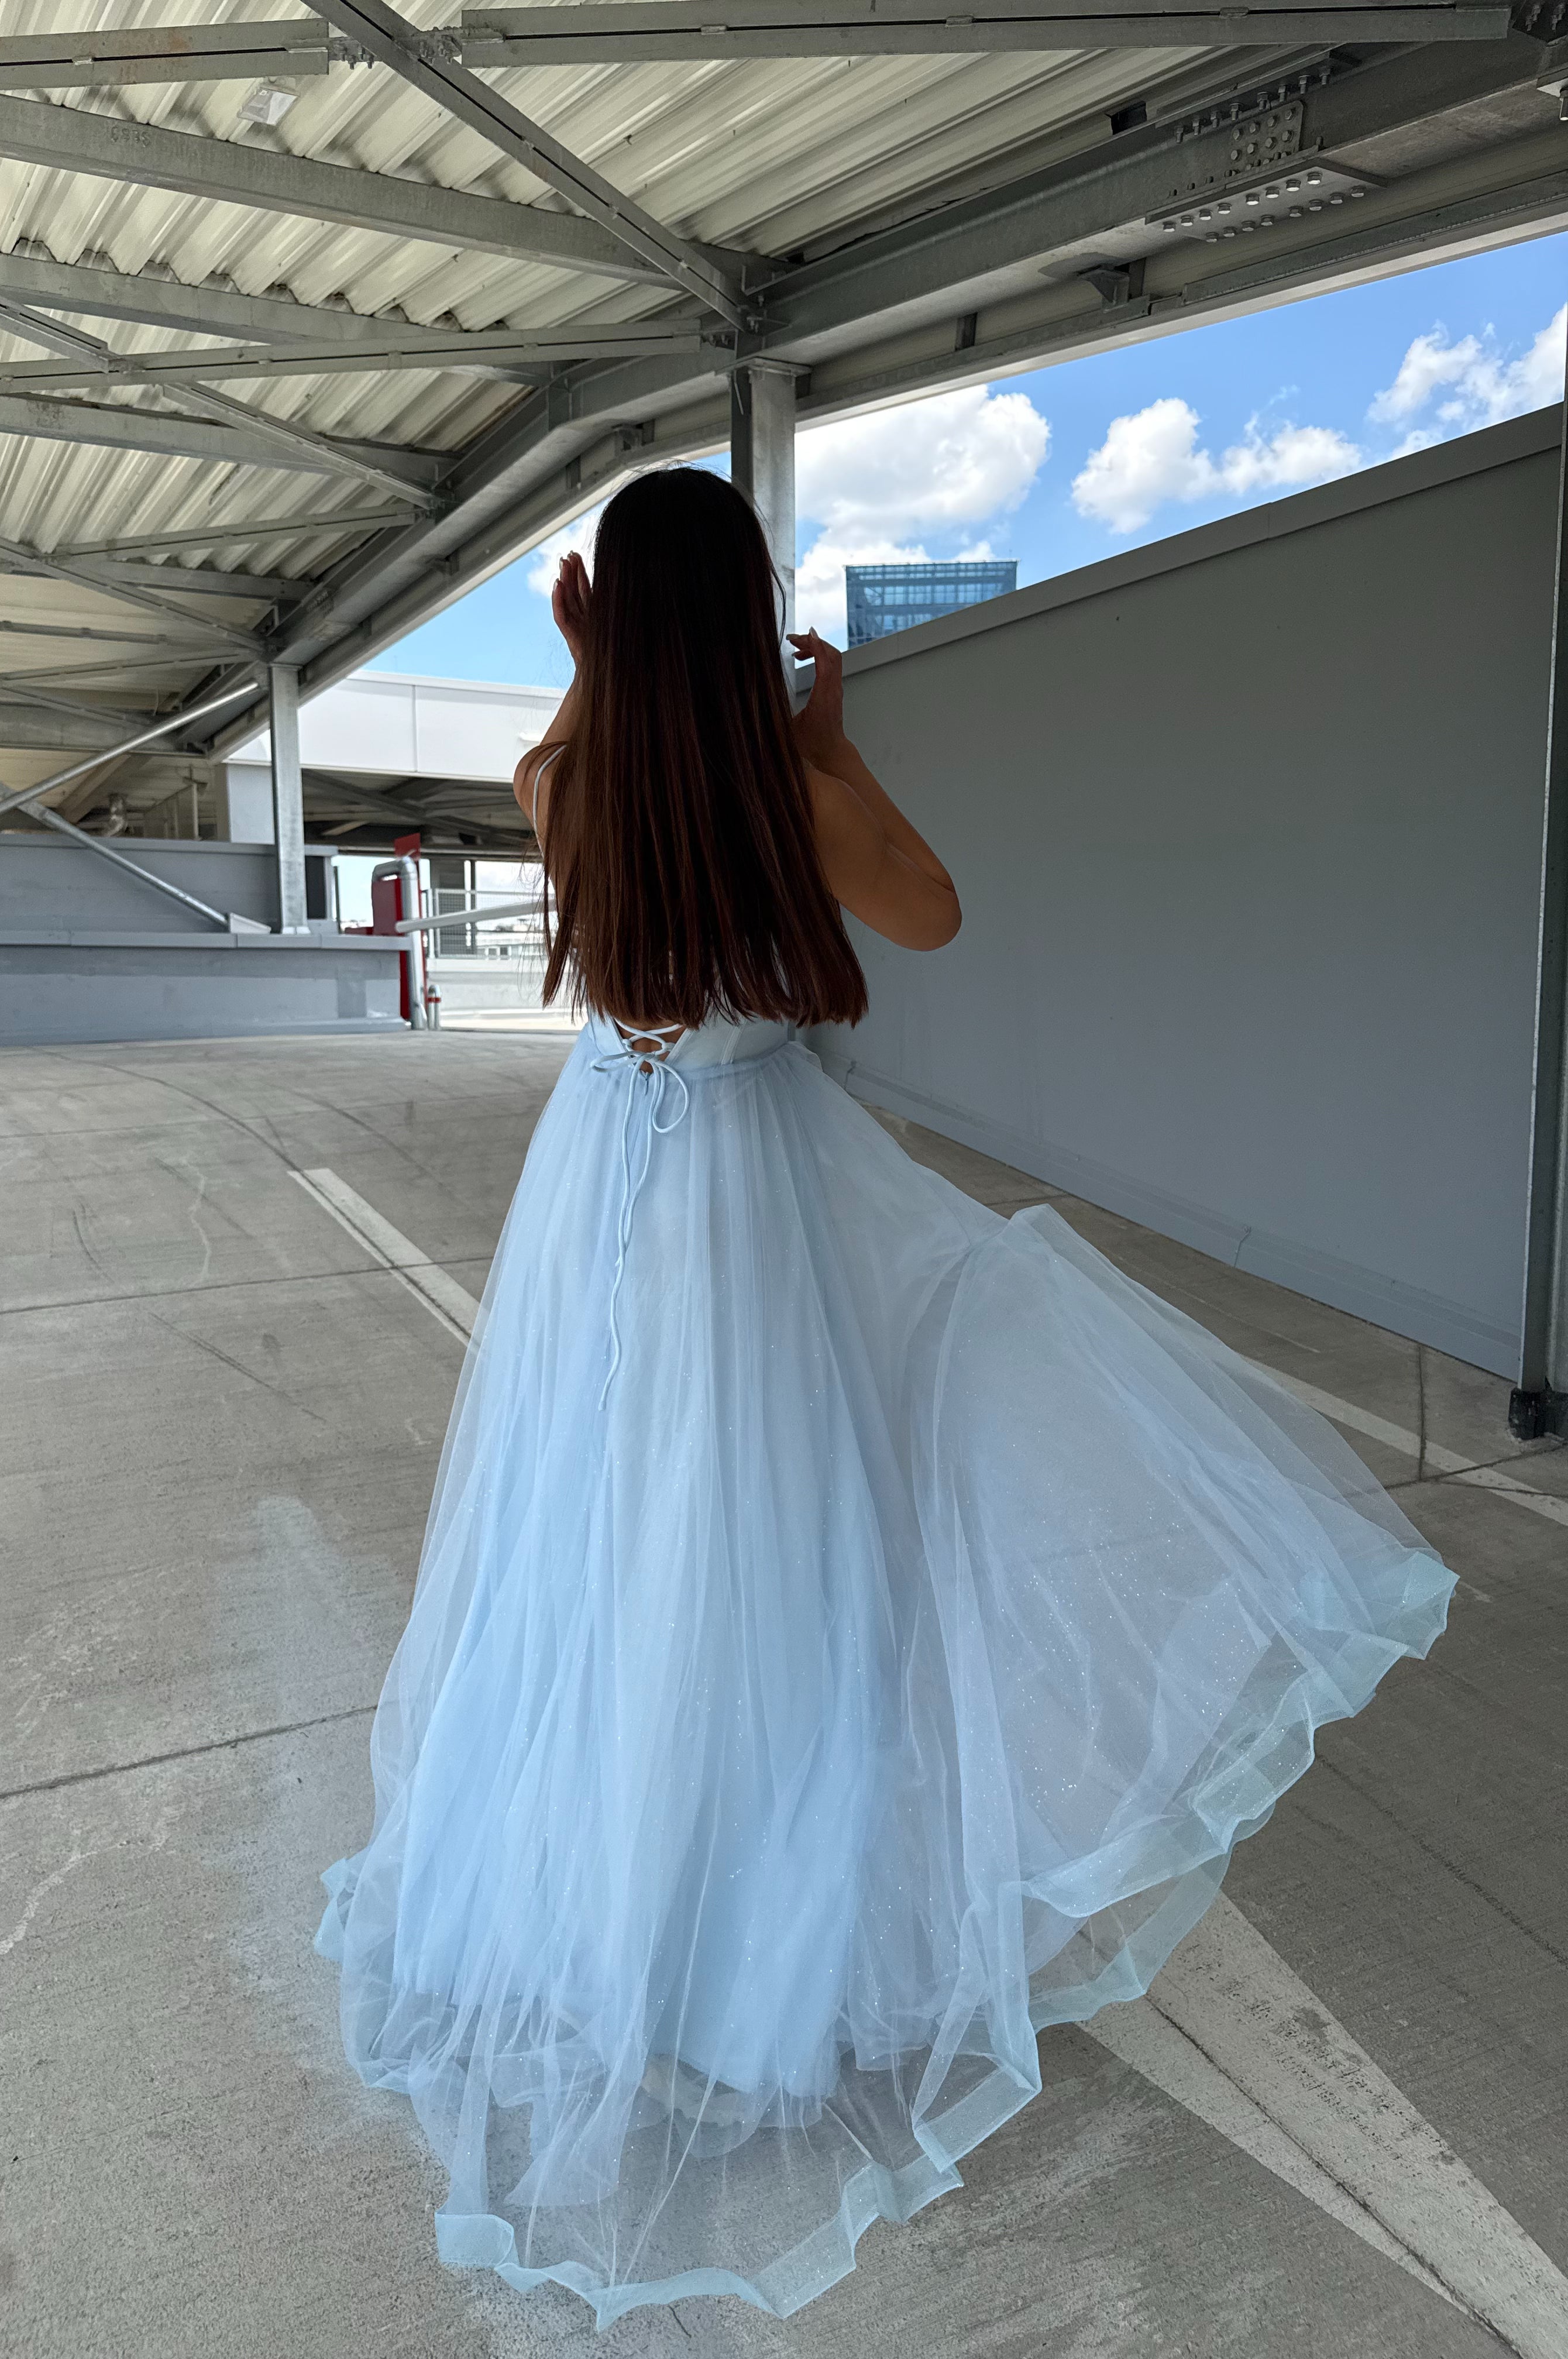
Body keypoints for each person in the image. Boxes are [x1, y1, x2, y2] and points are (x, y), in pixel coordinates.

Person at [315, 466, 1454, 2327]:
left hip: (606, 1191)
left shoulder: (562, 779)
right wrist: (826, 740)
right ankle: (748, 1967)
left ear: (614, 627)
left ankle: (609, 1935)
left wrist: (593, 674)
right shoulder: (787, 797)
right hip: (749, 1199)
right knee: (778, 1562)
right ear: (744, 619)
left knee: (602, 1547)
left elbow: (567, 764)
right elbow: (928, 911)